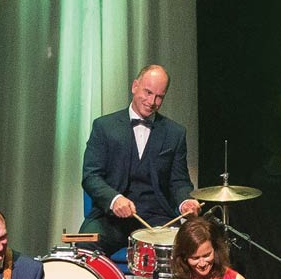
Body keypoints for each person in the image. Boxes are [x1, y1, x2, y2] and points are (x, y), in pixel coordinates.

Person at [80, 64, 200, 256]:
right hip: (109, 218)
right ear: (135, 86)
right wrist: (114, 199)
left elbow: (179, 181)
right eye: (148, 92)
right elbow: (91, 177)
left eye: (159, 96)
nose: (152, 101)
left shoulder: (175, 133)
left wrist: (185, 201)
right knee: (85, 246)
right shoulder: (104, 127)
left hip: (158, 217)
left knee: (185, 247)